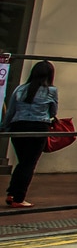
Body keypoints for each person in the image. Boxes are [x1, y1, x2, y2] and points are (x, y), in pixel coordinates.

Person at [4, 60, 59, 207]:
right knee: (29, 164)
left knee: (23, 162)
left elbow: (11, 111)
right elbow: (53, 112)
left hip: (18, 126)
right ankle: (18, 198)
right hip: (39, 127)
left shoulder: (20, 89)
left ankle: (12, 193)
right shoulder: (51, 91)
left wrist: (4, 127)